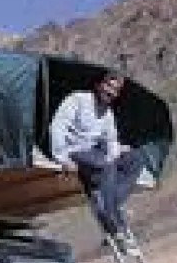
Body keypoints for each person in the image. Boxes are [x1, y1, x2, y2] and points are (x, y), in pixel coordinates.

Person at [48, 69, 149, 250]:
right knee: (106, 165)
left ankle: (111, 204)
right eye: (108, 86)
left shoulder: (107, 115)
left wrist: (117, 153)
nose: (110, 92)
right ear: (99, 85)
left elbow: (110, 140)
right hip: (75, 151)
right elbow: (58, 125)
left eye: (115, 90)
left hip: (96, 155)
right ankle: (113, 225)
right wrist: (61, 157)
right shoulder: (78, 100)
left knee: (136, 159)